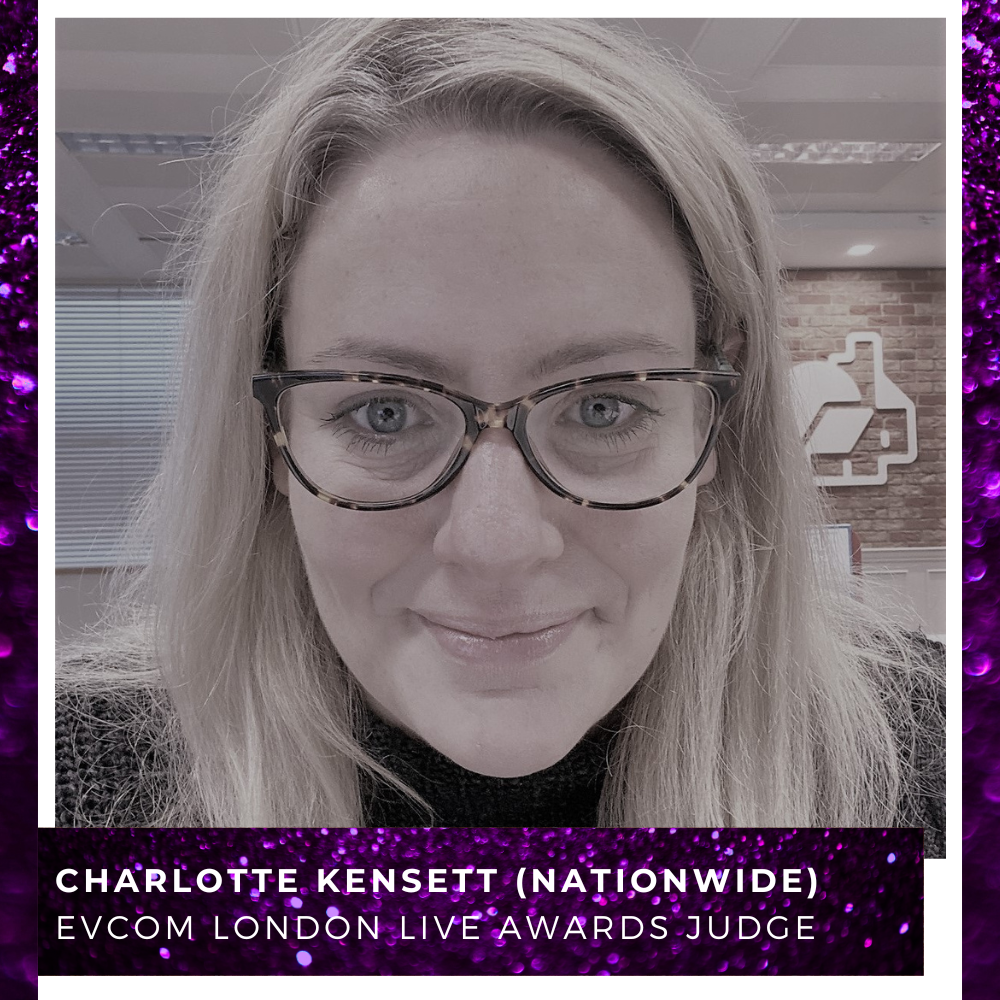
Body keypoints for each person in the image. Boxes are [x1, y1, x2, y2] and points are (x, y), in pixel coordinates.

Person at [56, 18, 944, 852]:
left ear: (717, 421)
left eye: (603, 407)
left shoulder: (933, 758)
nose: (497, 546)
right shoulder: (70, 784)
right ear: (270, 438)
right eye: (382, 411)